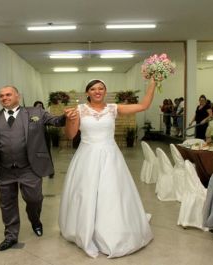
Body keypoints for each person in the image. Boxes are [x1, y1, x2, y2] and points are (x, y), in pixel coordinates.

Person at [0, 86, 74, 251]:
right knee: (7, 204)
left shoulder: (36, 113)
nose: (4, 98)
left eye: (8, 94)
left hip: (29, 168)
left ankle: (35, 220)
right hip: (4, 170)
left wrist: (66, 116)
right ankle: (11, 235)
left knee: (35, 199)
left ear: (17, 96)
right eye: (1, 96)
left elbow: (56, 121)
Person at [59, 78, 155, 258]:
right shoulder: (78, 110)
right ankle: (85, 228)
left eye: (101, 88)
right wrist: (70, 120)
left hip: (111, 157)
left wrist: (153, 82)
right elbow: (71, 135)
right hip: (86, 156)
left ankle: (114, 231)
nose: (97, 91)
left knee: (111, 193)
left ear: (105, 91)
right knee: (86, 193)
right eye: (93, 89)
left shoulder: (113, 108)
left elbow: (143, 105)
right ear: (87, 92)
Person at [33, 100, 54, 179]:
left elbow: (50, 122)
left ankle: (51, 172)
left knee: (48, 154)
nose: (39, 107)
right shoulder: (30, 115)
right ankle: (37, 171)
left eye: (41, 106)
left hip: (44, 136)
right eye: (38, 106)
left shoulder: (45, 114)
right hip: (35, 137)